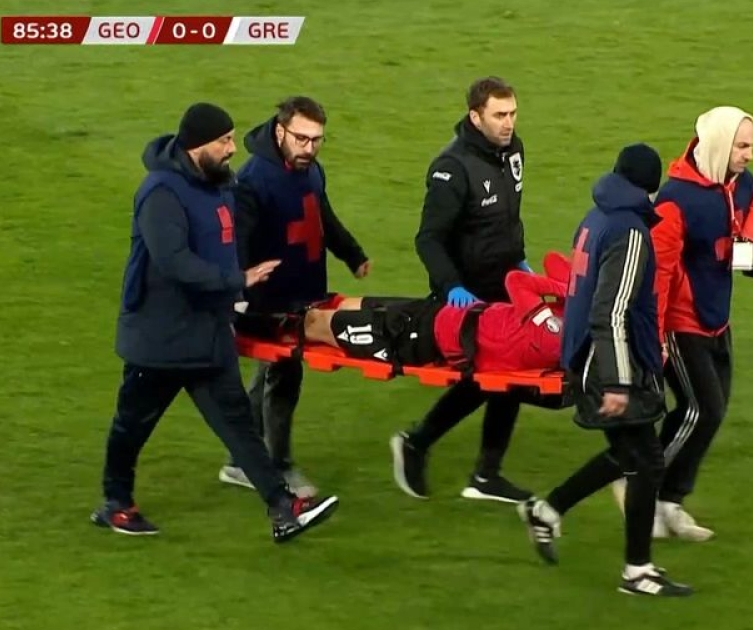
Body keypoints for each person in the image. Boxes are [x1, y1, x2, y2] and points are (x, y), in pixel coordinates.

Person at [91, 102, 339, 543]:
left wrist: (236, 302)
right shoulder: (161, 193)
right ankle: (115, 503)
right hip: (161, 337)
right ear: (197, 145)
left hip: (207, 333)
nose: (231, 148)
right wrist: (238, 280)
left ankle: (283, 508)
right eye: (223, 141)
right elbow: (174, 263)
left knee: (240, 428)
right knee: (133, 424)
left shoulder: (220, 185)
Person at [517, 144, 693, 597]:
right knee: (647, 461)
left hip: (584, 357)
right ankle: (638, 572)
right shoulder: (630, 231)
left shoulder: (595, 218)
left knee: (629, 456)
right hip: (610, 363)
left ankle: (546, 511)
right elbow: (611, 310)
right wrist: (617, 381)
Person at [616, 105, 753, 542]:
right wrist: (655, 338)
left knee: (707, 414)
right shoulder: (676, 201)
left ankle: (668, 501)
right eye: (742, 146)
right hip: (682, 323)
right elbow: (657, 275)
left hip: (716, 319)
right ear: (719, 145)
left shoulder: (740, 184)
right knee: (703, 409)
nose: (750, 155)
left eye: (751, 146)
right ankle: (637, 482)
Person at [217, 96, 370, 497]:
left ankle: (241, 460)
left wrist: (352, 254)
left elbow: (322, 218)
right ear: (280, 131)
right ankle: (278, 465)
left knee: (271, 374)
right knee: (285, 376)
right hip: (268, 302)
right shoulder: (252, 181)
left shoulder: (311, 170)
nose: (309, 148)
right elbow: (239, 245)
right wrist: (237, 298)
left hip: (303, 293)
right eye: (301, 139)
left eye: (316, 140)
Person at [391, 76, 535, 503]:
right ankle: (427, 446)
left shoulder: (512, 151)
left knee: (510, 374)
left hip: (504, 285)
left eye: (512, 113)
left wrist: (519, 262)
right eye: (499, 115)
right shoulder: (451, 168)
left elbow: (508, 218)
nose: (508, 123)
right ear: (475, 116)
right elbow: (428, 239)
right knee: (497, 375)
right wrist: (452, 287)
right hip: (468, 295)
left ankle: (480, 471)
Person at [287, 268, 565, 376]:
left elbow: (515, 280)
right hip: (437, 316)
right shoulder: (565, 319)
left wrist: (567, 290)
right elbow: (554, 261)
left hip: (421, 339)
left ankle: (268, 321)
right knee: (345, 304)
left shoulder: (554, 333)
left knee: (313, 324)